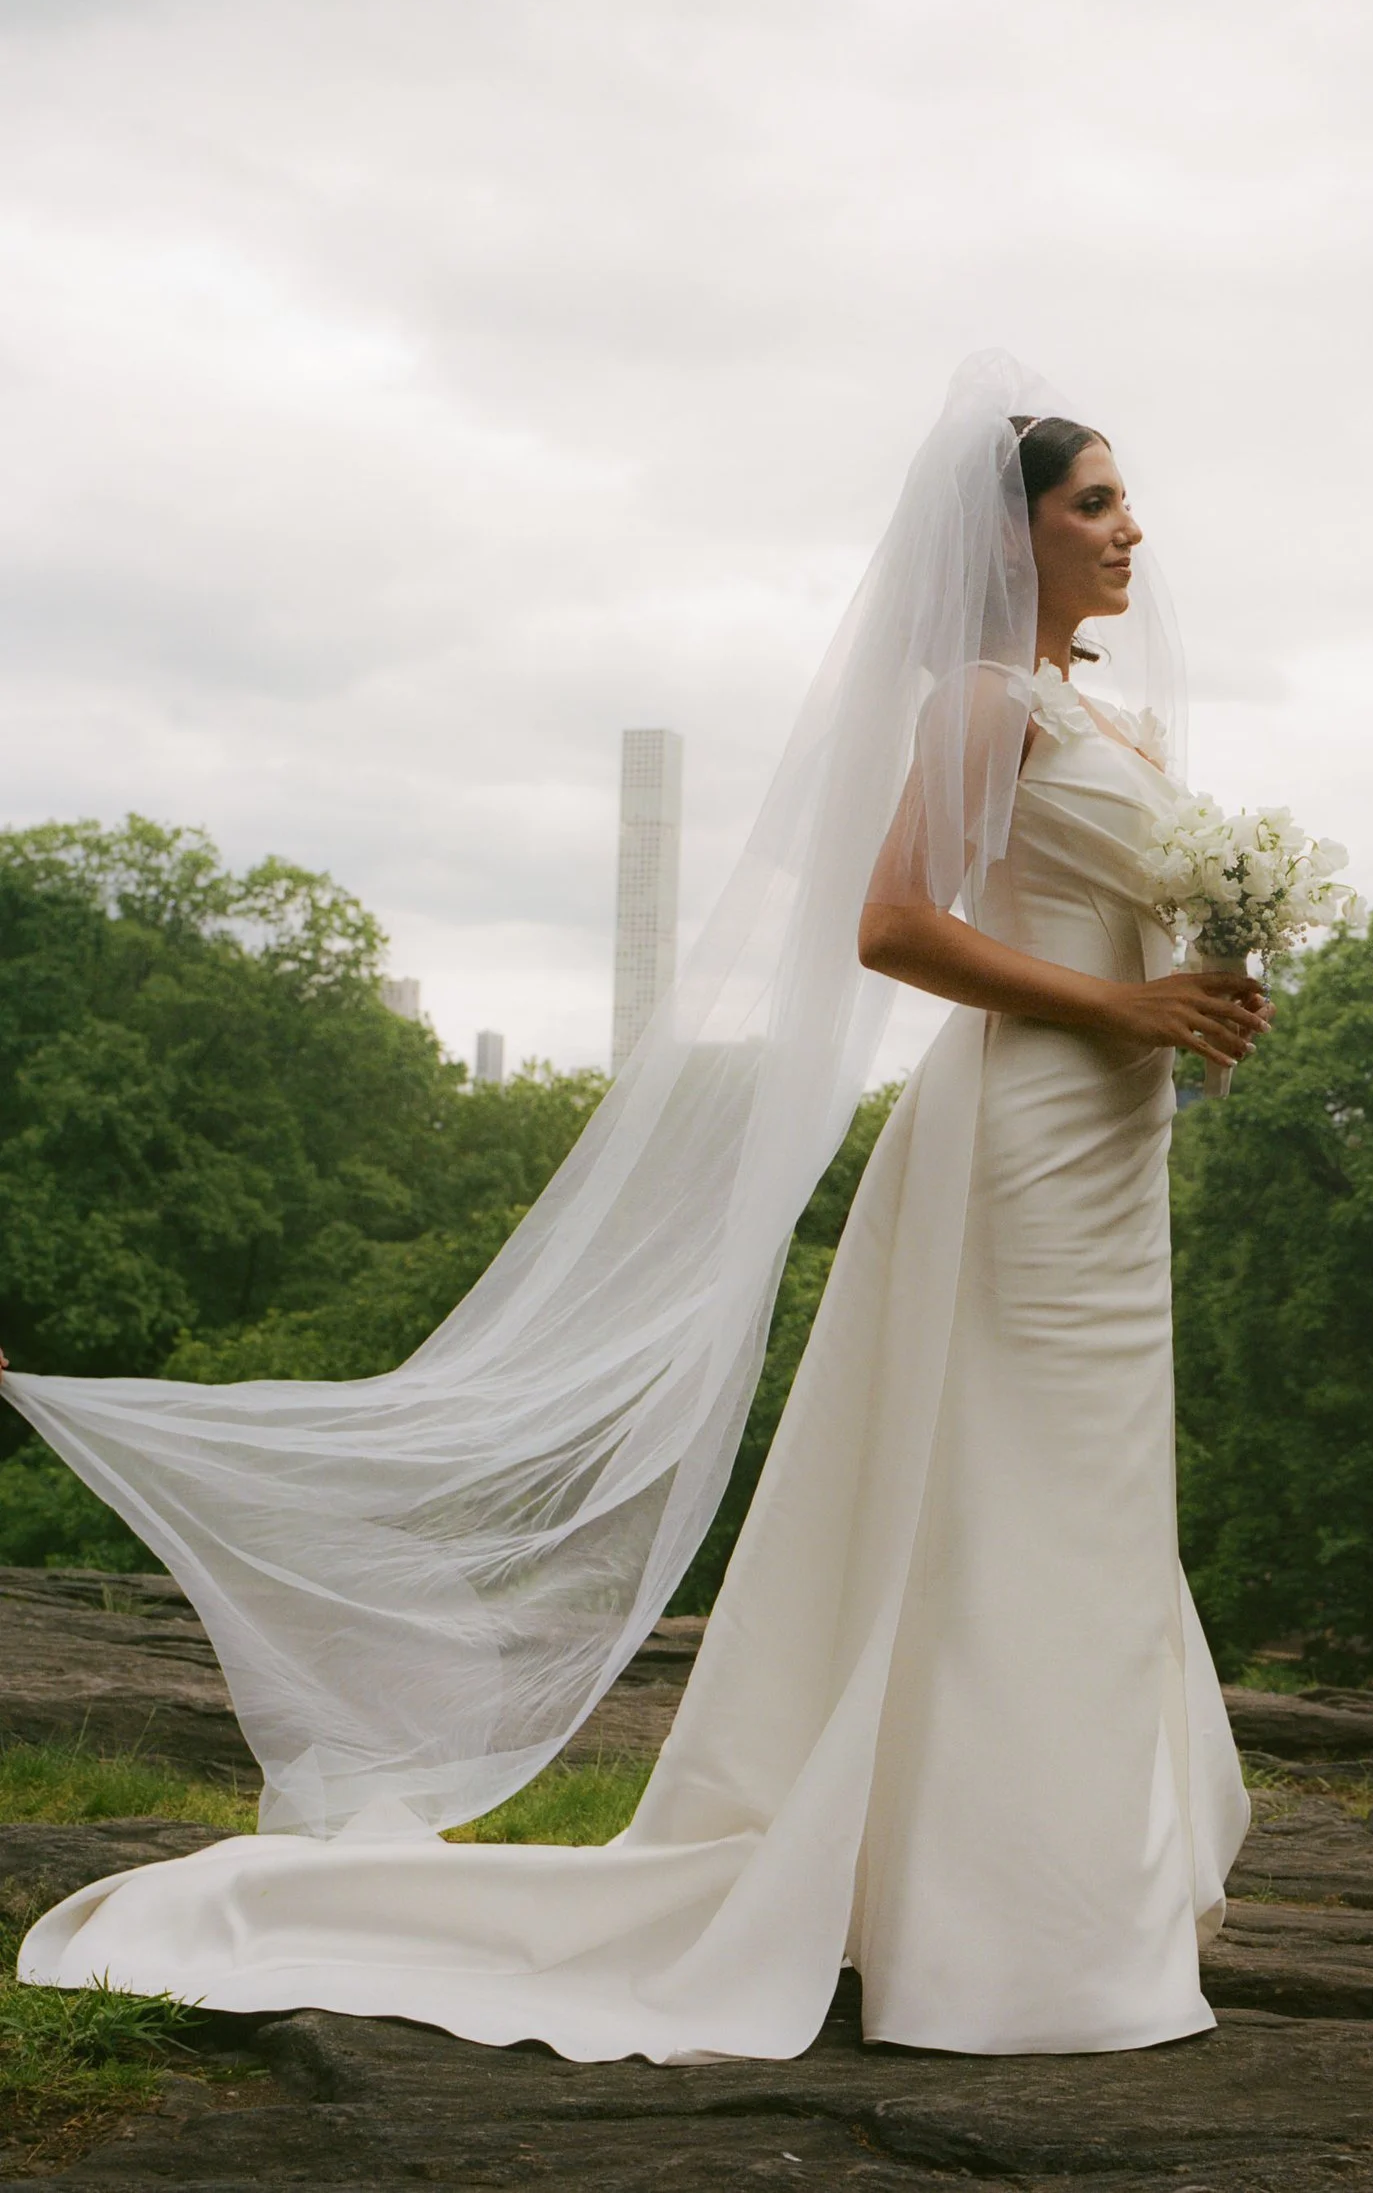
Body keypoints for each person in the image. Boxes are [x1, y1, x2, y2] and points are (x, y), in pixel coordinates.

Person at [1, 358, 1267, 2061]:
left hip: (1119, 1154)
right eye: (1092, 503)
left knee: (1091, 1498)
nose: (1129, 532)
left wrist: (1204, 990)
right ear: (1012, 533)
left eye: (1125, 499)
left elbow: (1121, 922)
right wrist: (1121, 1013)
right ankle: (1009, 1942)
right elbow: (892, 926)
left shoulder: (1118, 719)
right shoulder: (983, 701)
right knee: (1013, 1496)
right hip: (1024, 1138)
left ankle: (1051, 1899)